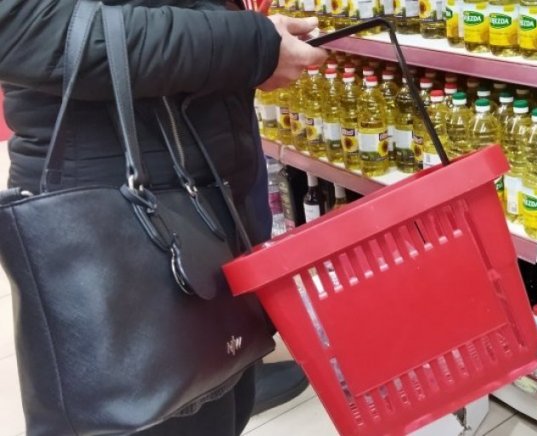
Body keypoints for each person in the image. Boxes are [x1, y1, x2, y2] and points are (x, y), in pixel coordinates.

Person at [0, 0, 327, 434]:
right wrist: (248, 46)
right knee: (145, 414)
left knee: (218, 397)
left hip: (200, 186)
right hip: (108, 211)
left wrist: (244, 45)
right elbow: (23, 27)